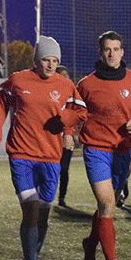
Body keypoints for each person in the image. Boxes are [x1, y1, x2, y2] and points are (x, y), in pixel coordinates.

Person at [0, 36, 82, 260]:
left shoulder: (65, 85)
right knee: (29, 211)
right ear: (36, 60)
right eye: (45, 60)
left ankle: (31, 257)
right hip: (21, 155)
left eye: (54, 61)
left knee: (42, 217)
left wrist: (66, 123)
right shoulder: (19, 80)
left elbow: (80, 109)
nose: (50, 65)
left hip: (51, 158)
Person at [69, 30, 131, 260]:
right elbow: (73, 113)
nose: (112, 53)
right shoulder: (86, 84)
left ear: (122, 52)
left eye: (116, 49)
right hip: (96, 150)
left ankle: (90, 243)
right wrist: (67, 131)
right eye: (107, 49)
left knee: (108, 207)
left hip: (122, 151)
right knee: (107, 204)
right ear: (101, 52)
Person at [54, 65, 78, 208]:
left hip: (67, 138)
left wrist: (69, 133)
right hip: (51, 138)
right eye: (63, 76)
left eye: (67, 76)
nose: (66, 79)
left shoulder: (72, 95)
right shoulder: (50, 94)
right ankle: (45, 194)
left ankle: (62, 197)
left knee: (64, 169)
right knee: (50, 168)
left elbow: (74, 115)